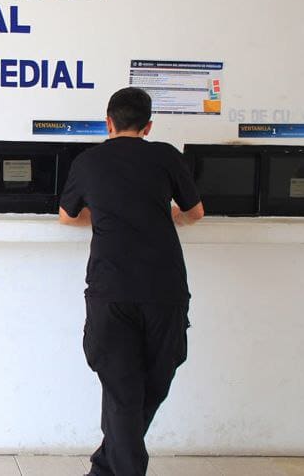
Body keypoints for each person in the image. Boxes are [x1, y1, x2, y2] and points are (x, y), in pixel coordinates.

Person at [58, 87, 204, 476]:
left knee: (125, 395)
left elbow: (67, 216)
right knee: (150, 387)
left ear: (108, 122)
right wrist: (168, 215)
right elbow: (195, 212)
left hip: (111, 291)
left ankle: (104, 469)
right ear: (148, 126)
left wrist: (105, 213)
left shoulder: (89, 161)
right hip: (164, 289)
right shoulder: (166, 156)